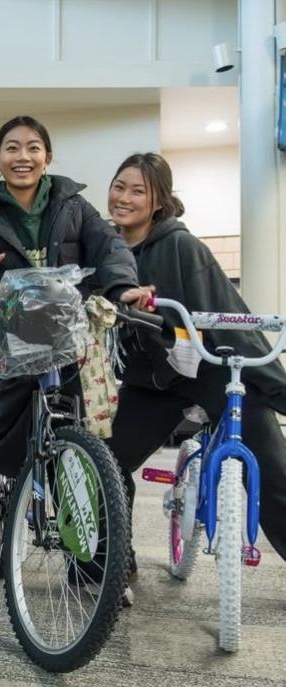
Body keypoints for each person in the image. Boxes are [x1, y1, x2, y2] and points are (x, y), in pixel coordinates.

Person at [0, 115, 149, 494]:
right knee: (30, 366)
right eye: (12, 148)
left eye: (33, 148)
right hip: (4, 333)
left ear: (47, 158)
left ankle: (84, 507)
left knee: (83, 429)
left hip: (69, 329)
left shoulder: (73, 206)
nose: (23, 157)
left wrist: (123, 286)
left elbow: (110, 246)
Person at [106, 152, 286, 572]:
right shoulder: (103, 249)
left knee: (272, 469)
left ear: (159, 201)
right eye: (119, 187)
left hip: (210, 372)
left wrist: (277, 389)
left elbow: (228, 317)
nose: (124, 198)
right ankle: (111, 562)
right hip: (152, 383)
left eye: (138, 191)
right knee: (104, 462)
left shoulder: (182, 247)